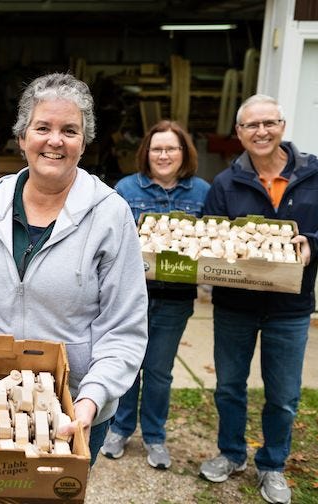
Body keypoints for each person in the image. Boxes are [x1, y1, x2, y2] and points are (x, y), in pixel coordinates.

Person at [0, 73, 149, 466]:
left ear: (83, 142)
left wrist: (91, 398)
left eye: (69, 130)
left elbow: (123, 326)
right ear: (22, 137)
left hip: (69, 408)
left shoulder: (110, 215)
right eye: (42, 128)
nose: (55, 140)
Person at [198, 94, 318, 504]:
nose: (261, 132)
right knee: (230, 387)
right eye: (251, 126)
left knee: (283, 395)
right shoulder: (226, 183)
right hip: (235, 304)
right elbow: (208, 233)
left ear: (282, 126)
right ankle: (231, 453)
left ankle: (272, 465)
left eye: (269, 123)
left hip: (290, 305)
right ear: (239, 133)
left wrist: (315, 245)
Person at [102, 120, 210, 469]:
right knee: (127, 366)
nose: (163, 155)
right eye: (157, 148)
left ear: (184, 153)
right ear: (146, 153)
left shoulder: (202, 193)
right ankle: (120, 429)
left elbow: (215, 242)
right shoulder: (126, 188)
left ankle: (154, 435)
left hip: (175, 299)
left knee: (160, 371)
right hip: (131, 297)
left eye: (171, 148)